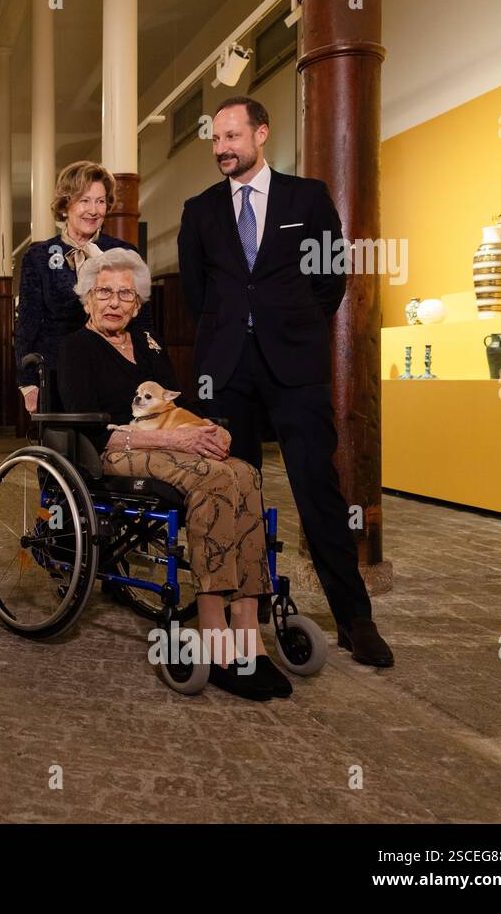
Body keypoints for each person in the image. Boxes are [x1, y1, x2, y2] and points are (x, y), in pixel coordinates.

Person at [178, 95, 393, 668]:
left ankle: (355, 620)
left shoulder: (308, 197)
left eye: (232, 136)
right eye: (215, 139)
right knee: (235, 492)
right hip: (226, 371)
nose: (222, 148)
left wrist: (289, 325)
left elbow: (330, 279)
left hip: (295, 368)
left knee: (317, 490)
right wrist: (233, 334)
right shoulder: (199, 210)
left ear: (261, 133)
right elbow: (198, 294)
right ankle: (242, 615)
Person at [57, 246, 292, 701]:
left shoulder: (148, 344)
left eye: (125, 294)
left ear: (137, 304)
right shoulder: (75, 349)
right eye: (104, 292)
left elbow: (174, 404)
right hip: (115, 451)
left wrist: (208, 430)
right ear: (86, 299)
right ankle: (213, 629)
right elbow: (92, 429)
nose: (114, 302)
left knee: (244, 473)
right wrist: (174, 441)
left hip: (166, 444)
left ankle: (246, 627)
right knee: (215, 480)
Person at [16, 161, 141, 414]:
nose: (93, 210)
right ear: (65, 205)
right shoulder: (38, 257)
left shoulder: (124, 253)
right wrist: (27, 382)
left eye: (100, 201)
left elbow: (141, 321)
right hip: (57, 375)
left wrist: (147, 369)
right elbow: (27, 324)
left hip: (114, 372)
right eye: (84, 201)